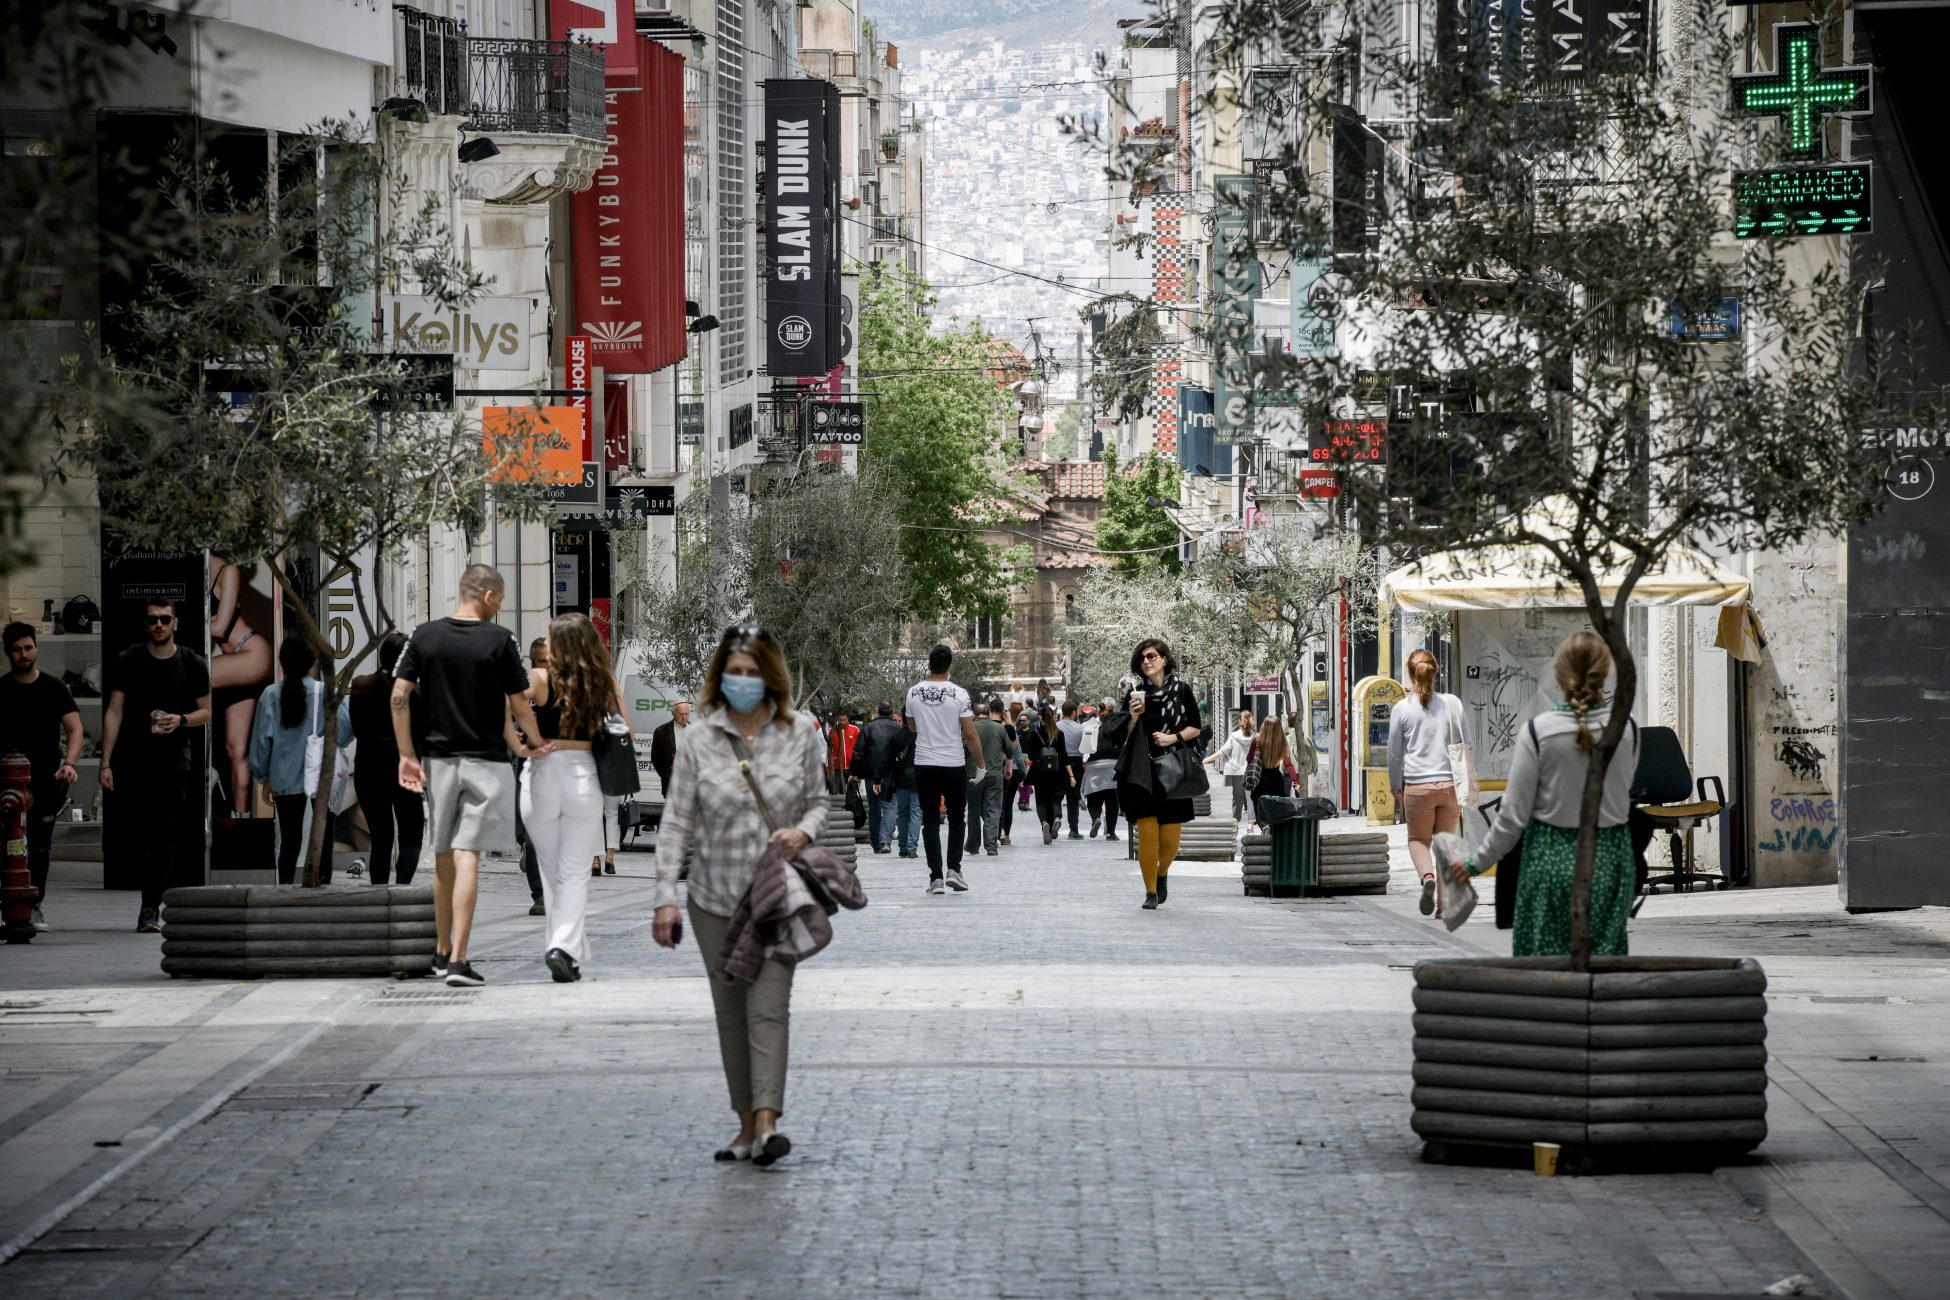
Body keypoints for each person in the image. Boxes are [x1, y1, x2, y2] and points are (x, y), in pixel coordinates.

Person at [652, 622, 827, 1167]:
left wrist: (804, 832)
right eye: (734, 672)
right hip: (713, 899)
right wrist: (664, 896)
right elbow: (676, 822)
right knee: (731, 1014)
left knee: (768, 1009)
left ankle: (768, 1123)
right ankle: (745, 1123)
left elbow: (819, 803)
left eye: (753, 672)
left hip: (776, 896)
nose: (743, 681)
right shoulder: (699, 740)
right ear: (720, 677)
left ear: (769, 677)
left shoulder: (799, 733)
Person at [392, 565, 547, 988]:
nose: (500, 606)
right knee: (468, 856)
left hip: (438, 762)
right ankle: (460, 960)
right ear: (489, 596)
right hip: (486, 762)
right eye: (500, 599)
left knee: (443, 855)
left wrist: (407, 755)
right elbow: (519, 705)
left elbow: (399, 694)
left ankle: (441, 952)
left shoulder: (423, 636)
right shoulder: (500, 640)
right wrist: (534, 743)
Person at [1451, 632, 1641, 956]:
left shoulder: (1539, 732)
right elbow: (1623, 792)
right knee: (1605, 962)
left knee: (1545, 965)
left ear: (1559, 674)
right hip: (1611, 859)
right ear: (1604, 673)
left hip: (1550, 860)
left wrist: (1475, 864)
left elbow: (1512, 817)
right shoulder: (1628, 729)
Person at [522, 613, 628, 983]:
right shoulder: (602, 681)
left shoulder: (539, 678)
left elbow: (507, 701)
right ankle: (563, 947)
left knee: (551, 871)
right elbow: (624, 730)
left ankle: (563, 946)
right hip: (582, 774)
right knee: (574, 871)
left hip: (541, 772)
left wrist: (526, 740)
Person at [100, 598, 212, 933]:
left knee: (164, 835)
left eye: (164, 619)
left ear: (176, 623)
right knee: (140, 835)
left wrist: (181, 720)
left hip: (174, 761)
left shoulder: (192, 662)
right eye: (153, 620)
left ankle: (150, 907)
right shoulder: (129, 659)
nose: (159, 625)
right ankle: (149, 902)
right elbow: (114, 711)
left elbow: (207, 711)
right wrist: (105, 762)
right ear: (146, 624)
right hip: (134, 759)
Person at [0, 623, 82, 932]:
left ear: (36, 647)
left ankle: (34, 905)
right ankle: (8, 904)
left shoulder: (54, 687)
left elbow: (75, 729)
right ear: (8, 652)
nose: (23, 655)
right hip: (5, 779)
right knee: (5, 843)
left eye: (28, 648)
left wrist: (70, 763)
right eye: (17, 650)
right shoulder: (1, 689)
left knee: (40, 846)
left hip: (45, 778)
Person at [1115, 638, 1203, 910]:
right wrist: (1132, 718)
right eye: (1142, 658)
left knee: (1170, 841)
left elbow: (1196, 727)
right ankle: (1150, 891)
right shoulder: (1135, 695)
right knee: (1148, 834)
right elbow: (1122, 736)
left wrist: (1172, 738)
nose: (1147, 661)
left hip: (1174, 770)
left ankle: (1162, 872)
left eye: (1152, 656)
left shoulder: (1182, 690)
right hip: (1143, 773)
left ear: (1164, 659)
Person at [340, 631, 427, 891]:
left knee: (381, 837)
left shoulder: (361, 685)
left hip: (369, 773)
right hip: (404, 772)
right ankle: (401, 889)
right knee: (411, 836)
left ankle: (379, 892)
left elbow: (357, 727)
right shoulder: (416, 692)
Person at [1388, 648, 1468, 919]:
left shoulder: (1402, 709)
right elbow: (1467, 742)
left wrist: (1394, 784)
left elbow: (1394, 753)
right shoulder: (1452, 704)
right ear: (1436, 672)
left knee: (1417, 840)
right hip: (1449, 786)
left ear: (1410, 675)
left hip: (1417, 786)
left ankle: (1427, 877)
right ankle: (1444, 905)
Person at [249, 637, 334, 885]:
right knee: (324, 839)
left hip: (284, 778)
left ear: (282, 662)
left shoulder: (270, 695)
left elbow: (260, 746)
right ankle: (323, 891)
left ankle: (285, 889)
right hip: (322, 777)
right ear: (311, 662)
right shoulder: (325, 693)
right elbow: (345, 730)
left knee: (289, 841)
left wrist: (264, 777)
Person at [905, 644, 985, 894]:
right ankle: (954, 870)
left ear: (929, 665)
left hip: (925, 763)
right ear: (950, 666)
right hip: (953, 763)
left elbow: (912, 726)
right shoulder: (959, 694)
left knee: (930, 820)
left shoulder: (913, 692)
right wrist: (981, 765)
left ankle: (936, 879)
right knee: (957, 817)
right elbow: (969, 733)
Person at [207, 553, 274, 821]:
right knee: (235, 749)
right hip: (236, 658)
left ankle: (205, 770)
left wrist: (177, 622)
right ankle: (241, 817)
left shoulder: (229, 569)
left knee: (186, 675)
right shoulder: (202, 570)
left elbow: (221, 626)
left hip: (251, 653)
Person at [963, 697, 1013, 857]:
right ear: (989, 712)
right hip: (995, 774)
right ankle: (991, 845)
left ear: (974, 714)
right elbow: (1009, 750)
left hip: (973, 775)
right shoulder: (999, 728)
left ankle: (973, 845)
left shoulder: (968, 728)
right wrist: (1008, 768)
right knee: (993, 809)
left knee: (973, 810)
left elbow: (962, 750)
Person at [1018, 703, 1071, 844]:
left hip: (1040, 772)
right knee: (1052, 800)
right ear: (1053, 717)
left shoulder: (1035, 733)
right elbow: (1064, 756)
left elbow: (1031, 755)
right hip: (1056, 773)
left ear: (1040, 717)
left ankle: (1044, 823)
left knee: (1041, 801)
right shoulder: (1059, 734)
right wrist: (1070, 775)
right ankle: (1052, 825)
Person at [873, 708, 920, 858]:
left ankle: (903, 847)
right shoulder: (923, 736)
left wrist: (877, 779)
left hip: (900, 779)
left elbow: (885, 759)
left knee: (903, 812)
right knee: (916, 812)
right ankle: (912, 848)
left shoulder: (897, 736)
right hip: (918, 778)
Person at [858, 701, 903, 853]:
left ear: (877, 711)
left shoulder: (868, 728)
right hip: (892, 774)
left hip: (872, 774)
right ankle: (885, 841)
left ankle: (876, 843)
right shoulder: (898, 729)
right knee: (890, 807)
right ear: (891, 712)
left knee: (874, 807)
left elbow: (859, 751)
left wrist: (855, 772)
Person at [1081, 696, 1120, 842]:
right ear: (1113, 710)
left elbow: (1084, 747)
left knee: (1093, 796)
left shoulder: (1089, 725)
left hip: (1094, 765)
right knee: (1112, 800)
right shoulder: (1118, 725)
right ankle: (1111, 833)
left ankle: (1096, 818)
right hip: (1113, 766)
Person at [1210, 710, 1257, 821]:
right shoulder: (1257, 736)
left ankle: (1235, 821)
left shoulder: (1234, 736)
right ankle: (1251, 823)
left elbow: (1223, 751)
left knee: (1237, 797)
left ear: (1240, 722)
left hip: (1237, 771)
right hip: (1253, 772)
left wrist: (1206, 760)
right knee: (1252, 798)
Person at [1245, 716, 1302, 804]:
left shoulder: (1257, 741)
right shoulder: (1282, 742)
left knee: (1260, 810)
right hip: (1276, 782)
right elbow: (1288, 764)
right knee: (1275, 810)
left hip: (1260, 782)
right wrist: (1296, 782)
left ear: (1264, 727)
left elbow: (1249, 759)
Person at [1057, 699, 1087, 839]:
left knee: (1057, 794)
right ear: (1074, 712)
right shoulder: (1080, 728)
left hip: (1058, 762)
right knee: (1073, 797)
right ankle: (1073, 829)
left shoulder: (1056, 726)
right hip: (1075, 762)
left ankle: (1056, 817)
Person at [650, 700, 690, 798]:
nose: (684, 717)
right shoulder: (661, 731)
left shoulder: (696, 729)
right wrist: (666, 776)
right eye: (681, 714)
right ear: (673, 713)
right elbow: (656, 759)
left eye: (686, 714)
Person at [827, 709, 860, 795]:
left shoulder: (855, 730)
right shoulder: (832, 732)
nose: (842, 722)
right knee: (836, 794)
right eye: (840, 720)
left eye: (844, 720)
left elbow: (860, 749)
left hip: (852, 768)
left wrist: (859, 768)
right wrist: (828, 770)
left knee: (852, 794)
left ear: (848, 719)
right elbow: (828, 752)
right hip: (837, 768)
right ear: (837, 719)